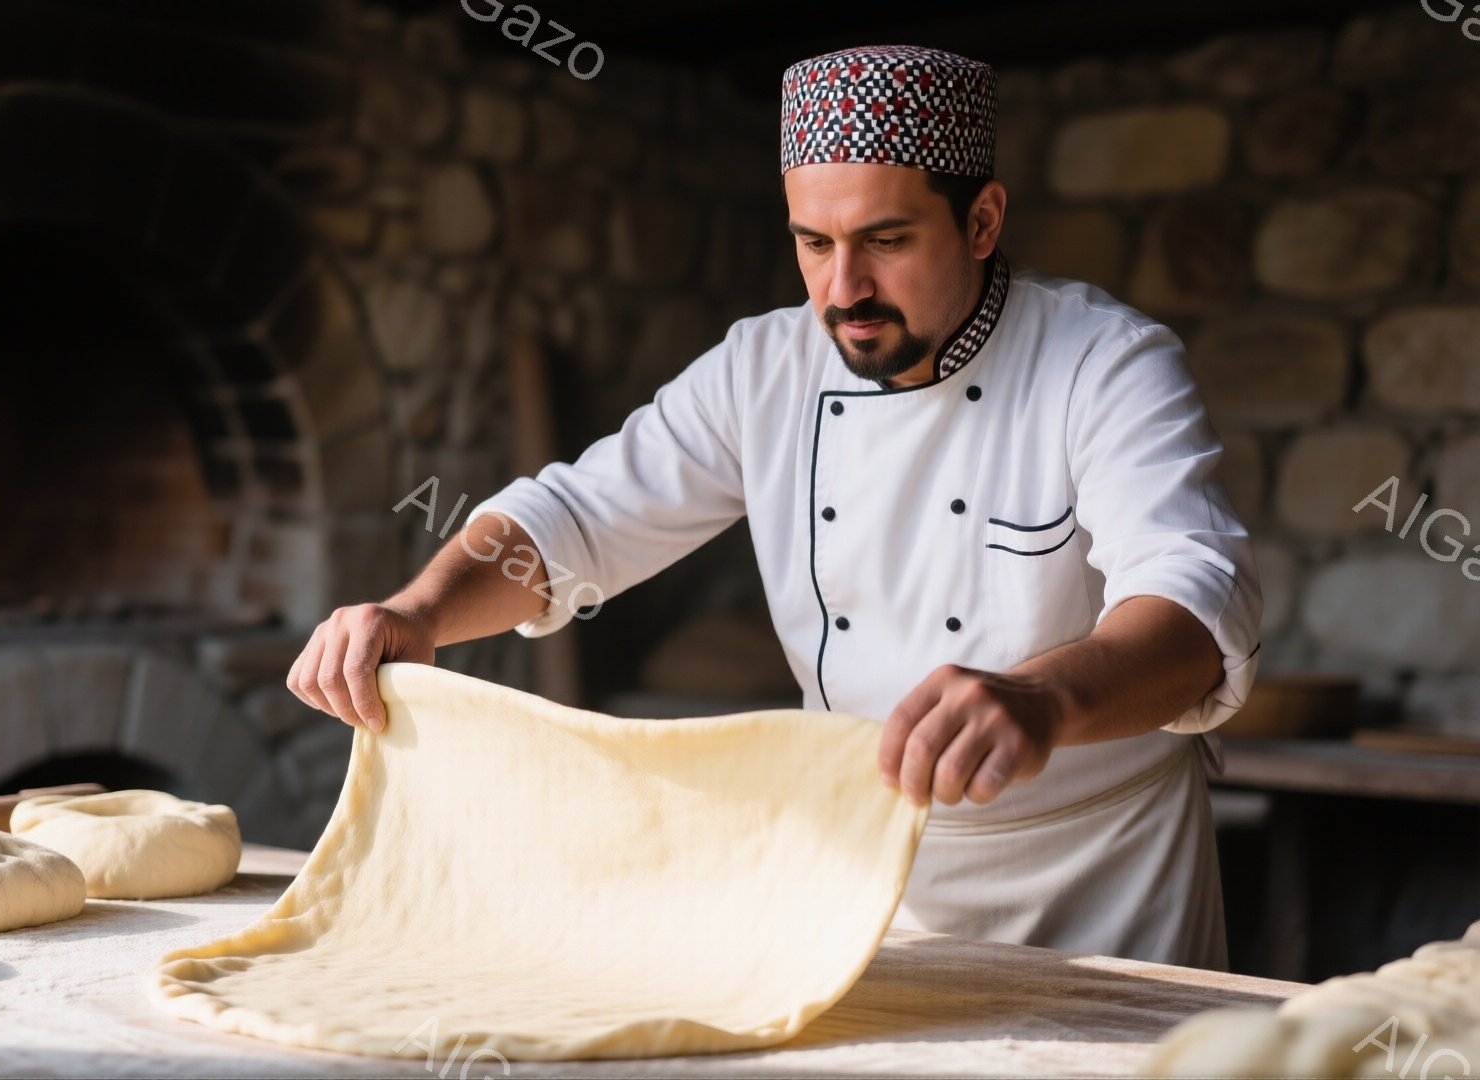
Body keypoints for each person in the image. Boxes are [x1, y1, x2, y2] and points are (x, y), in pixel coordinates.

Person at [287, 43, 1261, 971]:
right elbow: (577, 519)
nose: (845, 289)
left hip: (1100, 882)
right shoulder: (764, 366)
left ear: (982, 221)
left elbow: (1192, 600)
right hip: (868, 874)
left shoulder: (1105, 362)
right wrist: (420, 611)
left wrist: (1044, 700)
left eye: (886, 240)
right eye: (815, 243)